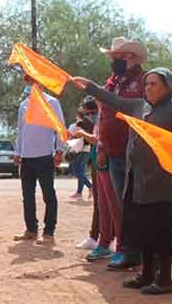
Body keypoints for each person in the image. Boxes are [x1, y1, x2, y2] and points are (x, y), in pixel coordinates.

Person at [74, 67, 172, 295]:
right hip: (136, 181)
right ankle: (147, 275)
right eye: (147, 84)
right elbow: (112, 99)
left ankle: (164, 281)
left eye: (154, 84)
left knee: (160, 234)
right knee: (142, 232)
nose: (148, 88)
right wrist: (90, 86)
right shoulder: (139, 106)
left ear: (168, 87)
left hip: (160, 184)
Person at [97, 37, 147, 269]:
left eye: (119, 56)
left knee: (132, 204)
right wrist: (100, 146)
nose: (115, 60)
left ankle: (132, 251)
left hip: (133, 153)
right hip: (112, 151)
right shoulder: (111, 82)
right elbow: (103, 117)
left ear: (132, 57)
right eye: (113, 56)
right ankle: (126, 249)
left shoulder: (143, 81)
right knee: (119, 203)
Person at [13, 75, 66, 245]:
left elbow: (60, 127)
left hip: (44, 155)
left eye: (33, 81)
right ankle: (31, 230)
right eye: (28, 82)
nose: (30, 85)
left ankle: (49, 232)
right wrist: (17, 152)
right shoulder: (24, 105)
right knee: (27, 196)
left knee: (48, 195)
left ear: (42, 83)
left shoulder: (52, 103)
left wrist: (59, 150)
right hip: (26, 157)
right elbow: (21, 131)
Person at [74, 97, 102, 251]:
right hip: (97, 161)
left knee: (104, 204)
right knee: (99, 203)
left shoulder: (97, 120)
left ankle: (106, 238)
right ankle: (95, 236)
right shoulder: (91, 121)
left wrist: (82, 133)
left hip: (104, 163)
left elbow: (96, 139)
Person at [68, 108, 93, 200]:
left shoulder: (76, 125)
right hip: (86, 149)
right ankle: (79, 192)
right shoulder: (89, 124)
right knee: (80, 171)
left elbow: (71, 135)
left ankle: (90, 187)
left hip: (78, 149)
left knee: (76, 170)